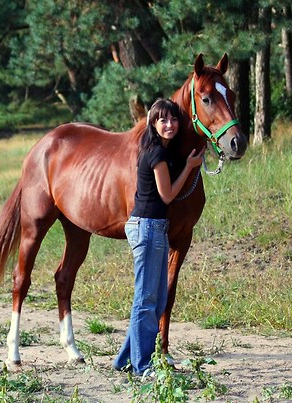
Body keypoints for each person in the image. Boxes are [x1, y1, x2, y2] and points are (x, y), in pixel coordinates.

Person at [113, 98, 205, 376]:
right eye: (162, 120)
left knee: (154, 299)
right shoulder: (157, 154)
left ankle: (124, 360)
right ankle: (143, 365)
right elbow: (167, 195)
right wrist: (189, 167)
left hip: (153, 227)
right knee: (146, 300)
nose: (170, 124)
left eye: (174, 119)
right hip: (148, 227)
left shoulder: (158, 151)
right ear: (153, 123)